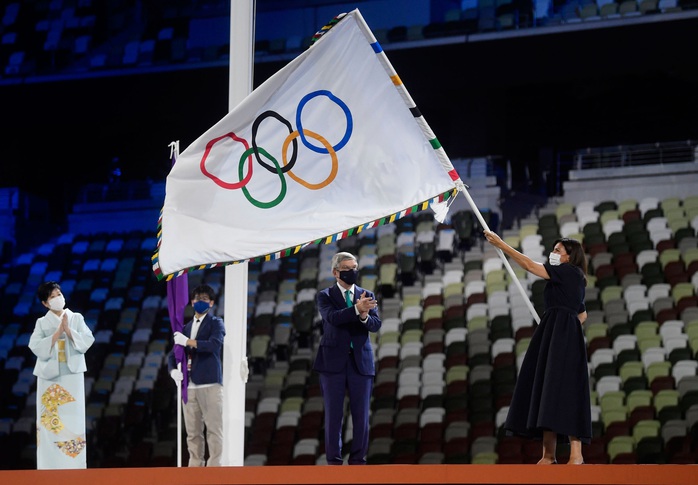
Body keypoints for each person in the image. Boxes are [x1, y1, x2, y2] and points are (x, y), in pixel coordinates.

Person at [483, 231, 590, 465]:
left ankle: (575, 454)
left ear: (569, 257)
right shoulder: (574, 278)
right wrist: (565, 323)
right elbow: (582, 313)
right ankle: (549, 455)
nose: (553, 254)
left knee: (564, 389)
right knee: (546, 388)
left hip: (559, 333)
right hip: (557, 332)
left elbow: (530, 266)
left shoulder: (569, 272)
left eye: (558, 251)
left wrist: (501, 245)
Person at [313, 251, 381, 465]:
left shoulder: (366, 294)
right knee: (333, 414)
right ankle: (333, 461)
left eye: (354, 268)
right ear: (335, 272)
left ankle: (358, 460)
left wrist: (364, 315)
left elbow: (376, 325)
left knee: (361, 415)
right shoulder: (325, 295)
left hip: (360, 361)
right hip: (332, 361)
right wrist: (356, 309)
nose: (352, 272)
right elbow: (332, 318)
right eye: (347, 269)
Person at [29, 281, 95, 469]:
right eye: (52, 297)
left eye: (59, 294)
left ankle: (74, 465)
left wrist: (69, 331)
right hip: (49, 377)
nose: (58, 298)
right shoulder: (41, 322)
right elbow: (34, 346)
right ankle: (49, 465)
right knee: (50, 419)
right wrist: (57, 333)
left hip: (72, 374)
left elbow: (88, 339)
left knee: (73, 417)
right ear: (45, 303)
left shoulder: (76, 318)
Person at [167, 284, 226, 467]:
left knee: (214, 429)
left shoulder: (216, 323)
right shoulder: (185, 327)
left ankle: (214, 467)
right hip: (189, 386)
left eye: (204, 299)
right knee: (192, 432)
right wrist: (172, 371)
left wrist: (189, 342)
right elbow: (173, 354)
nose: (200, 302)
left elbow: (214, 345)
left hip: (209, 383)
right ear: (192, 302)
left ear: (211, 303)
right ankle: (195, 466)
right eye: (197, 299)